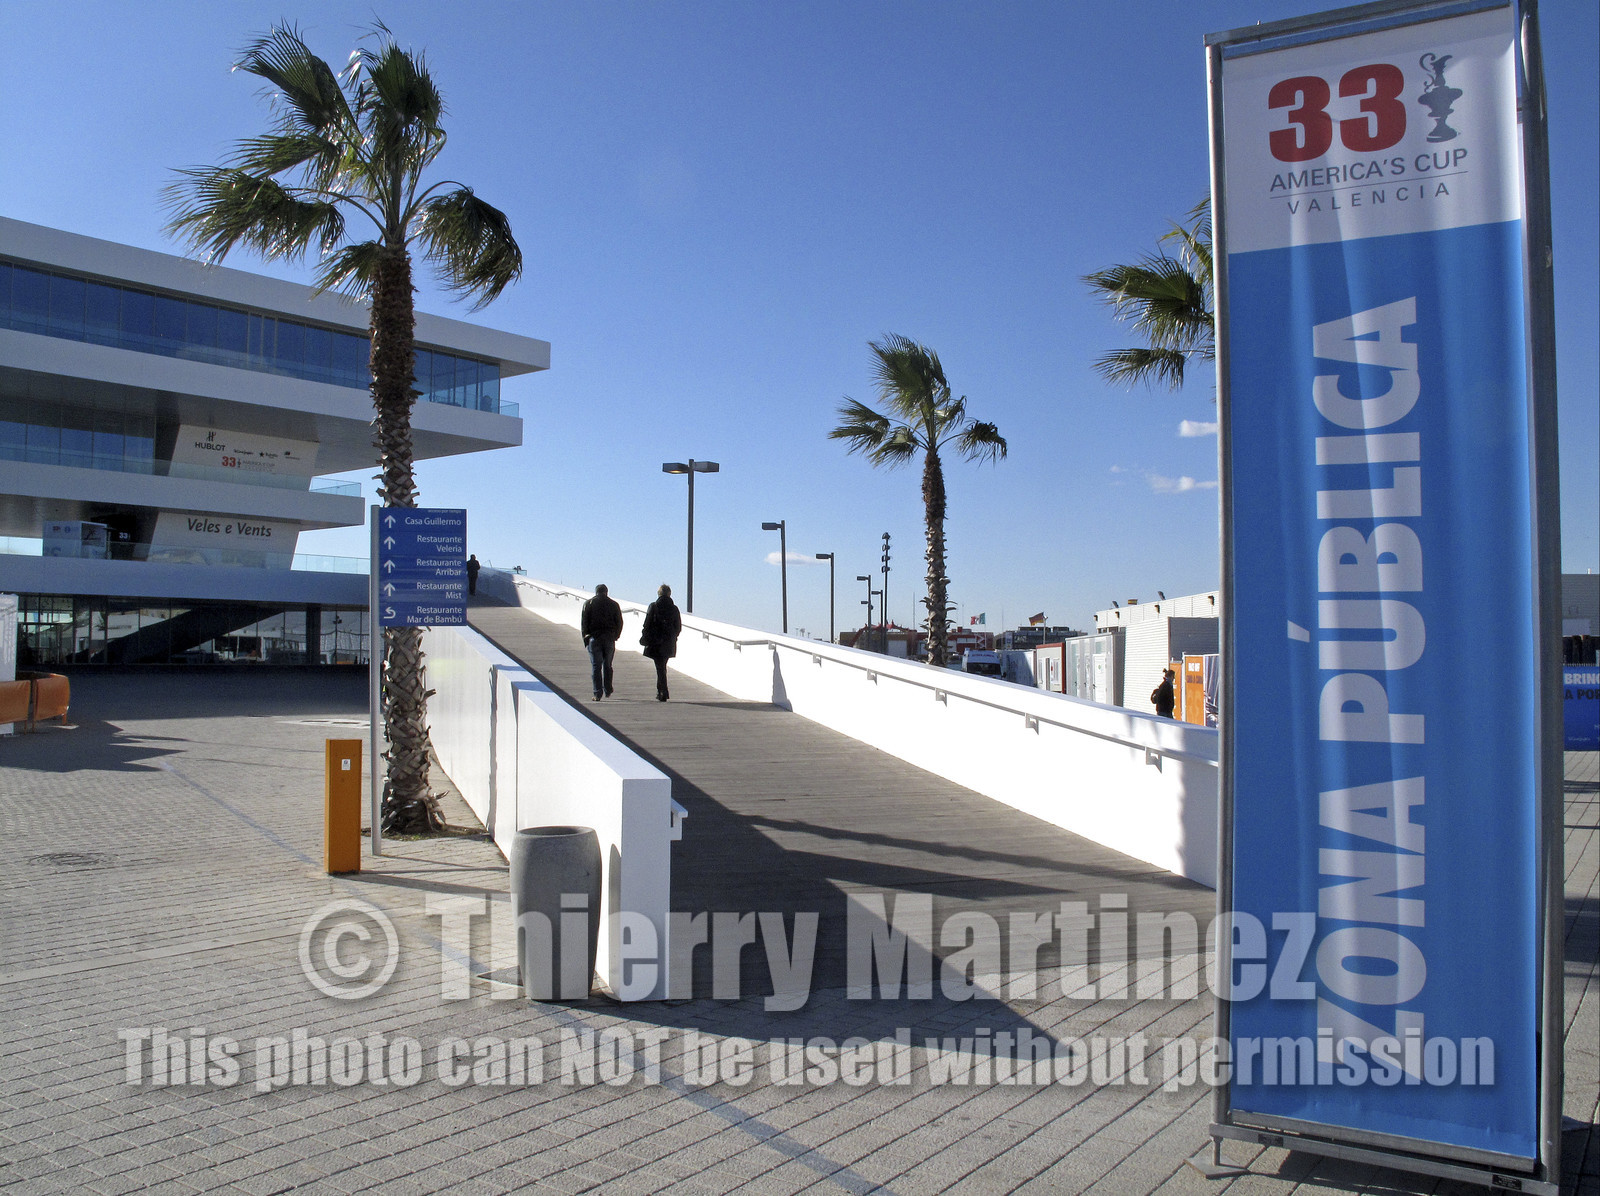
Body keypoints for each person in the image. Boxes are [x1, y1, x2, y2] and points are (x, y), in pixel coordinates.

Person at [580, 584, 624, 700]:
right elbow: (619, 622)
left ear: (596, 592)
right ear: (606, 592)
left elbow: (584, 623)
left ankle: (597, 693)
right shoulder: (614, 604)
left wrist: (586, 638)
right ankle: (608, 689)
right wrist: (616, 636)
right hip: (609, 638)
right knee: (608, 665)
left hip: (594, 638)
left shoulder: (588, 604)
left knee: (596, 666)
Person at [640, 584, 683, 701]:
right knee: (662, 666)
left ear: (658, 594)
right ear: (669, 594)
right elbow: (678, 627)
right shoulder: (674, 609)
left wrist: (645, 636)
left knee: (660, 666)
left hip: (655, 642)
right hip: (668, 642)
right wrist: (672, 636)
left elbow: (647, 624)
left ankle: (663, 691)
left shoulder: (653, 606)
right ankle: (662, 691)